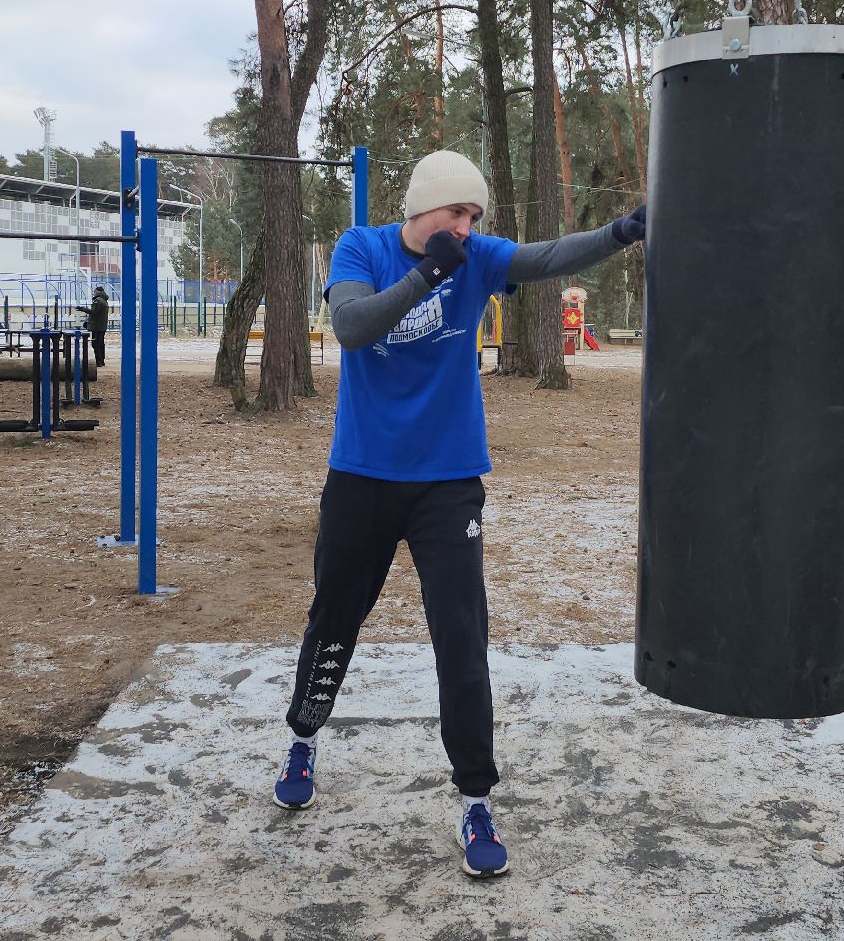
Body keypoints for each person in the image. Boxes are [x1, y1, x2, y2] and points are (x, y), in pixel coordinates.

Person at [272, 149, 646, 879]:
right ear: (422, 209)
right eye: (458, 213)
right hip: (362, 476)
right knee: (334, 618)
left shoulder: (474, 257)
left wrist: (623, 231)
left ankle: (476, 796)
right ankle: (304, 737)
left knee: (461, 636)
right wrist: (427, 273)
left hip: (448, 482)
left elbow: (547, 258)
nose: (468, 227)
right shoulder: (363, 247)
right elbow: (352, 327)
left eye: (476, 217)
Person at [76, 286, 110, 367]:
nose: (93, 293)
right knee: (101, 343)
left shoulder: (98, 300)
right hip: (102, 326)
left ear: (98, 292)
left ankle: (99, 362)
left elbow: (93, 312)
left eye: (94, 292)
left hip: (97, 326)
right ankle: (102, 361)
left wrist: (83, 309)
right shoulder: (104, 300)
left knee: (96, 344)